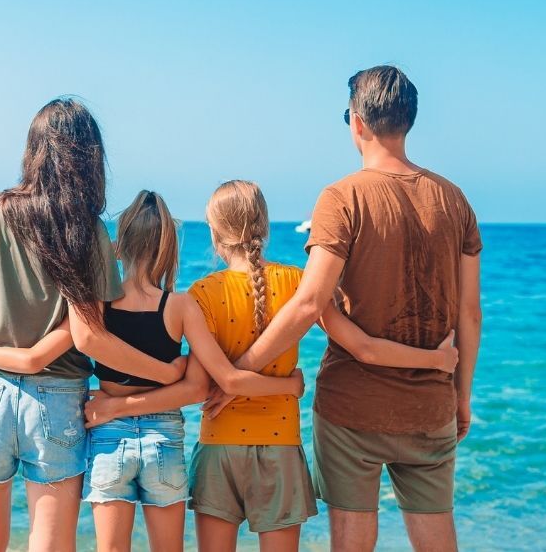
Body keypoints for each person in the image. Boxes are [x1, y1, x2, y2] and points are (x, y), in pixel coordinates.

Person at [89, 180, 457, 552]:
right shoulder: (299, 283)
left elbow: (202, 383)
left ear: (215, 233)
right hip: (281, 447)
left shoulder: (201, 293)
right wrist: (435, 360)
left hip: (220, 448)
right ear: (264, 227)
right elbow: (362, 347)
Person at [227, 66, 484, 552]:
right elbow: (469, 315)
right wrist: (461, 395)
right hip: (431, 405)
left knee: (351, 540)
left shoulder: (341, 198)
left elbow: (308, 304)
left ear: (357, 122)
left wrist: (239, 370)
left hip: (352, 407)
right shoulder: (455, 201)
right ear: (408, 120)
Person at [0, 98, 187, 552]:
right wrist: (168, 373)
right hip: (55, 399)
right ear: (90, 157)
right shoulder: (87, 229)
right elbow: (89, 335)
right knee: (50, 543)